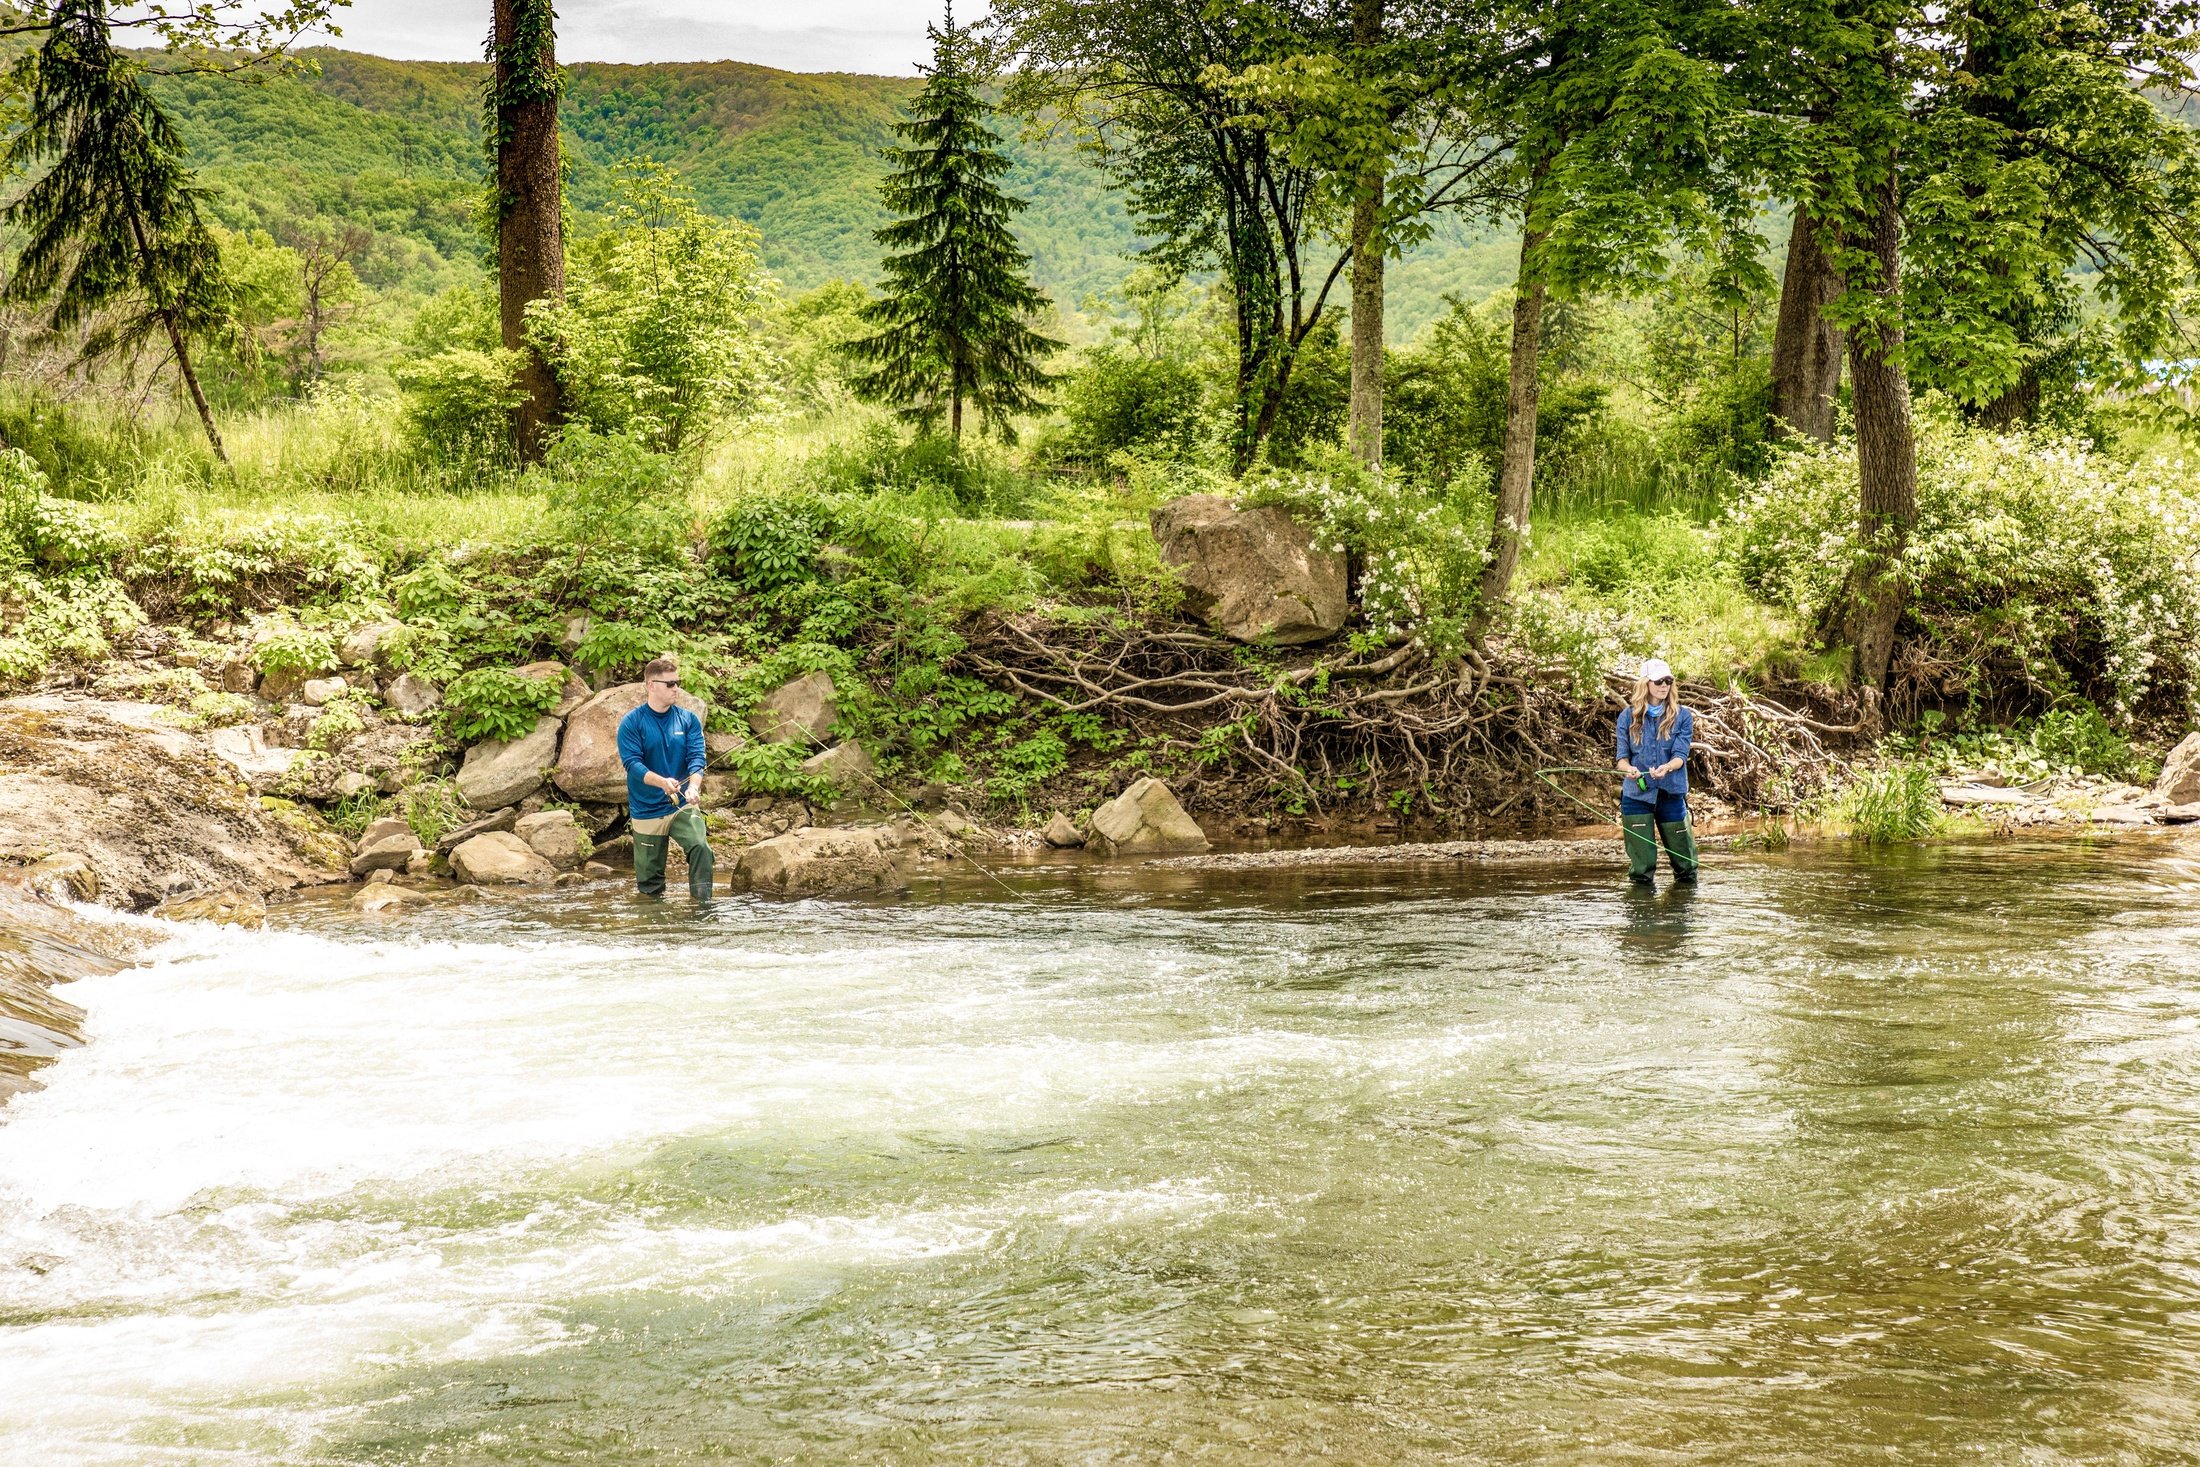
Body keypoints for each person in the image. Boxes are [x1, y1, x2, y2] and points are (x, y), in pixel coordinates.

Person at [618, 656, 714, 902]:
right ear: (652, 686)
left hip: (681, 804)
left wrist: (693, 786)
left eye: (677, 682)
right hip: (646, 809)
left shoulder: (688, 720)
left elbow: (696, 758)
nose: (676, 688)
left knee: (700, 847)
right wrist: (661, 782)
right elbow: (633, 765)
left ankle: (702, 909)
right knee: (650, 886)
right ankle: (653, 929)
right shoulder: (632, 722)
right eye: (670, 684)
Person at [1614, 657, 1699, 885]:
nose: (1664, 685)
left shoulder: (1682, 716)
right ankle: (1642, 918)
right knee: (1641, 871)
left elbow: (1680, 756)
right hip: (1636, 795)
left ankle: (1681, 917)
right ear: (1646, 684)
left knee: (1686, 867)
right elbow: (1621, 759)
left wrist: (1667, 768)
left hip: (1671, 794)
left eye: (1668, 681)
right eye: (1659, 681)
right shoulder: (1627, 717)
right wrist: (1630, 769)